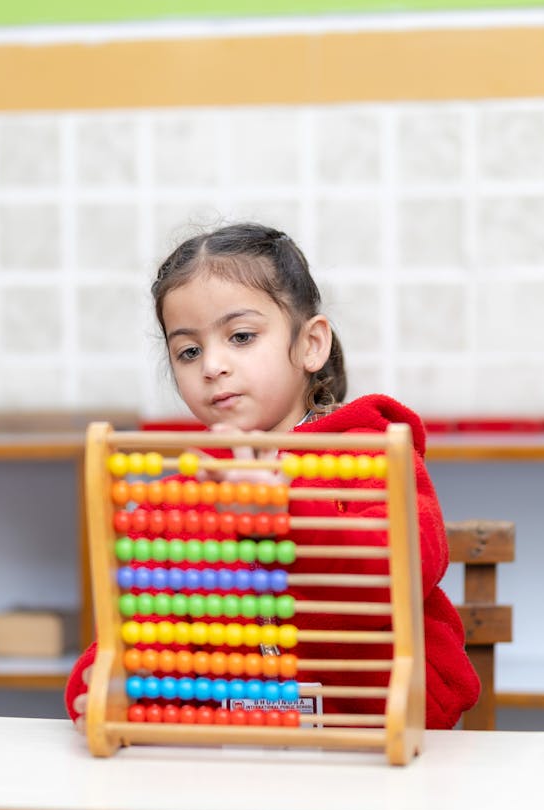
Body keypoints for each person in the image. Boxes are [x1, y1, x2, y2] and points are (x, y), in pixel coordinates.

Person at [66, 222, 479, 729]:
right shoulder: (180, 499)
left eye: (241, 337)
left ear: (311, 344)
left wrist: (287, 514)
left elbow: (408, 566)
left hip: (385, 740)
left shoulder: (373, 453)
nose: (212, 365)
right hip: (240, 754)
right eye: (188, 351)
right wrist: (110, 687)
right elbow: (137, 636)